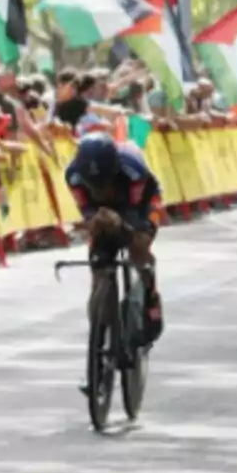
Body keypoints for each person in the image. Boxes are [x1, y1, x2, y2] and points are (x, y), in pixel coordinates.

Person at [64, 133, 163, 348]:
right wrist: (91, 224)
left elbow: (135, 218)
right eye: (93, 186)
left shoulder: (133, 170)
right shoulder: (73, 176)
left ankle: (151, 294)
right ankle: (100, 330)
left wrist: (123, 225)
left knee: (138, 245)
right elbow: (88, 212)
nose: (99, 191)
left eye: (104, 184)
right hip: (105, 208)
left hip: (139, 201)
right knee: (99, 257)